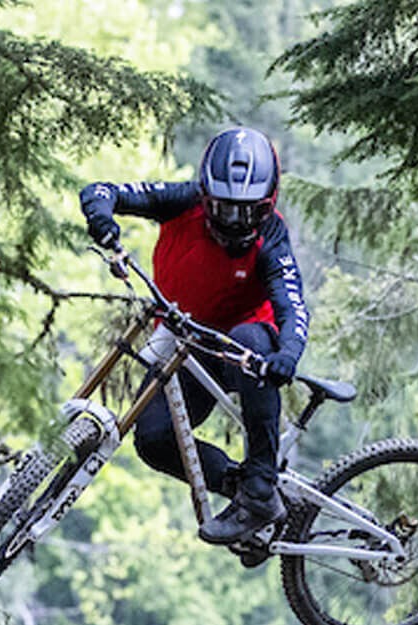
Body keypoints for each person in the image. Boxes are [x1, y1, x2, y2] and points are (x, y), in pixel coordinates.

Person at [79, 125, 310, 547]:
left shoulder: (272, 239)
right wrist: (101, 218)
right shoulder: (181, 201)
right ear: (205, 195)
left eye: (248, 212)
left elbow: (292, 307)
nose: (235, 221)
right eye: (223, 208)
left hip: (246, 353)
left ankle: (261, 489)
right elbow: (102, 190)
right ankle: (239, 490)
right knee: (153, 441)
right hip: (188, 341)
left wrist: (289, 352)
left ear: (268, 205)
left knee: (249, 338)